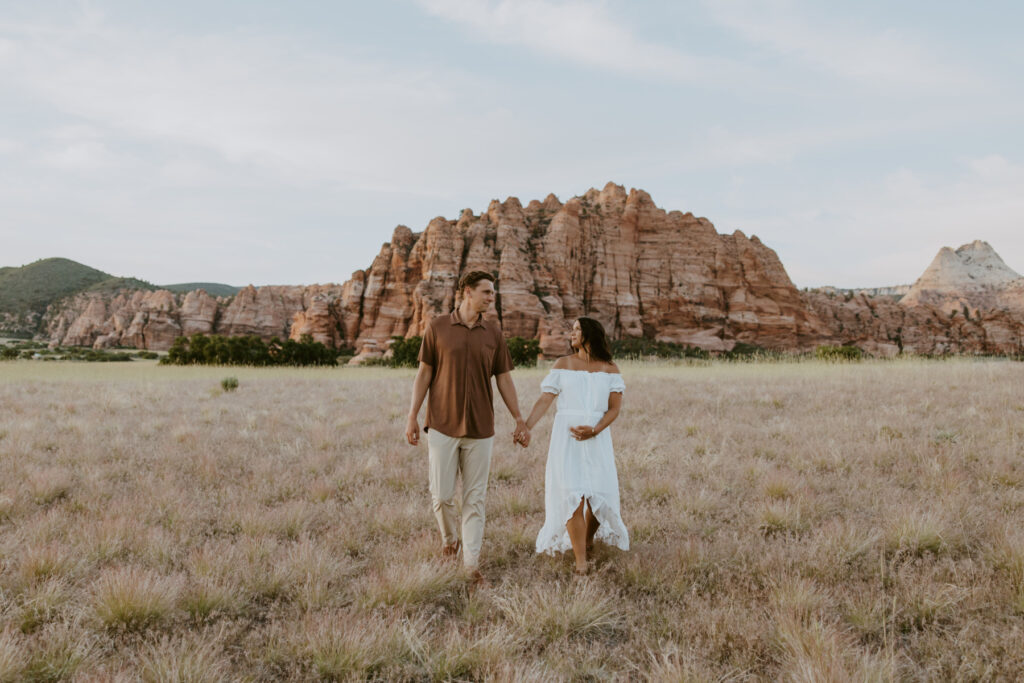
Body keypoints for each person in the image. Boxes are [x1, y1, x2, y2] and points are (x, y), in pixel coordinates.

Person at [405, 271, 530, 582]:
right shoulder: (437, 327)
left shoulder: (494, 334)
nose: (492, 297)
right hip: (442, 426)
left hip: (480, 428)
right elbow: (424, 375)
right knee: (442, 496)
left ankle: (471, 565)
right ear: (467, 293)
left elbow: (504, 378)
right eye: (486, 292)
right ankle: (450, 542)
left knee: (475, 499)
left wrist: (518, 418)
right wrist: (412, 416)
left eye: (493, 292)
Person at [523, 317, 629, 574]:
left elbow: (614, 409)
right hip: (567, 438)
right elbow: (545, 400)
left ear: (590, 333)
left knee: (598, 495)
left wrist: (595, 430)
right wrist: (525, 426)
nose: (572, 334)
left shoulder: (610, 368)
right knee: (573, 494)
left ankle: (589, 539)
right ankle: (581, 563)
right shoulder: (563, 364)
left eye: (577, 329)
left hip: (597, 438)